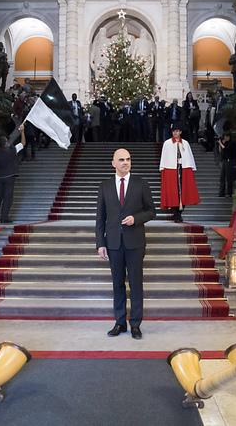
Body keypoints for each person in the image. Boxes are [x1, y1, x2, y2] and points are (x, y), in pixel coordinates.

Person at [96, 148, 155, 339]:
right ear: (113, 163)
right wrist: (100, 243)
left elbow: (151, 211)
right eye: (121, 159)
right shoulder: (105, 186)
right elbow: (100, 218)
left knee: (136, 284)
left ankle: (136, 324)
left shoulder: (140, 184)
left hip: (135, 242)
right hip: (113, 243)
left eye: (128, 159)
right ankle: (120, 322)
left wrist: (135, 219)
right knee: (117, 284)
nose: (125, 162)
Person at [159, 123, 200, 223]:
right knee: (173, 192)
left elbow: (188, 156)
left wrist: (186, 164)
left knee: (184, 191)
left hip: (183, 169)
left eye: (177, 131)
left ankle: (180, 213)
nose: (175, 133)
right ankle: (175, 214)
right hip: (171, 170)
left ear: (180, 132)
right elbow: (165, 156)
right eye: (173, 131)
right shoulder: (167, 143)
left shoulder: (185, 143)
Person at [0, 124, 26, 223]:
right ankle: (4, 218)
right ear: (6, 143)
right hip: (9, 177)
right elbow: (23, 143)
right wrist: (22, 132)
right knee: (7, 198)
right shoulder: (12, 151)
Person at [217, 131, 236, 197]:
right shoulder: (225, 143)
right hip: (225, 161)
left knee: (229, 177)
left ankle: (229, 192)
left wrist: (221, 144)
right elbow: (221, 151)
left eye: (225, 136)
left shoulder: (232, 143)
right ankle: (222, 192)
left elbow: (227, 150)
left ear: (228, 137)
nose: (224, 138)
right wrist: (220, 144)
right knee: (222, 177)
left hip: (230, 161)